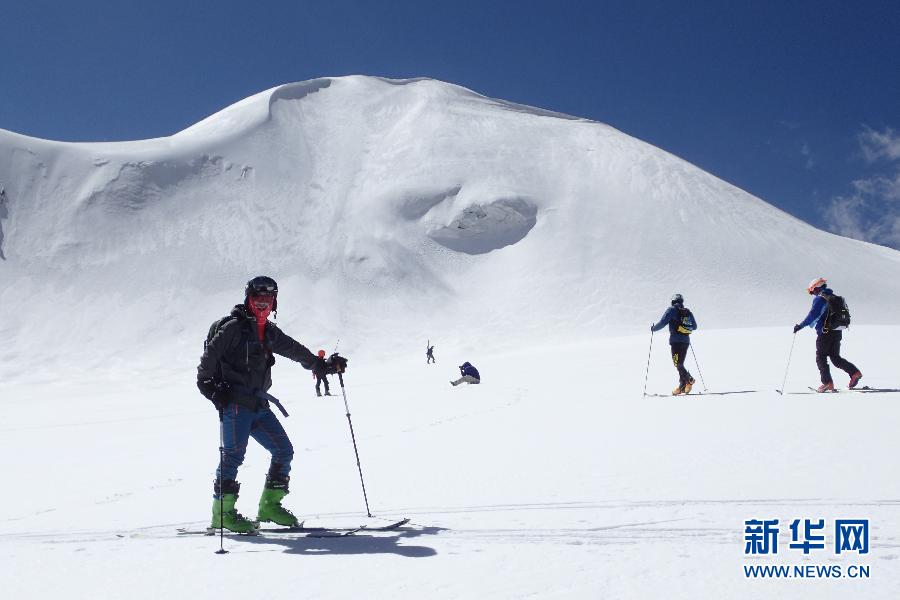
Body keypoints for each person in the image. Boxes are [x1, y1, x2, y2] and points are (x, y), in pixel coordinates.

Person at [197, 275, 345, 532]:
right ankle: (222, 514)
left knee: (283, 450)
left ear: (274, 301)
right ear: (249, 298)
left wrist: (323, 365)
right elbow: (207, 363)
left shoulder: (269, 332)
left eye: (268, 298)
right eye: (258, 297)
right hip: (234, 405)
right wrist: (210, 389)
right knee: (233, 456)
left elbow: (296, 351)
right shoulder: (233, 328)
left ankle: (269, 507)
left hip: (258, 406)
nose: (263, 302)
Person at [793, 277, 862, 392]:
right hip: (837, 331)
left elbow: (812, 315)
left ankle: (827, 383)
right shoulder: (835, 298)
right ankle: (855, 373)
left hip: (824, 333)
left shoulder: (820, 299)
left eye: (812, 291)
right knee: (835, 357)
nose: (812, 294)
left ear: (816, 288)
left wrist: (800, 326)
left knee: (820, 357)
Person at [651, 294, 698, 395]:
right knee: (680, 364)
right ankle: (682, 386)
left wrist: (653, 329)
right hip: (685, 342)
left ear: (672, 301)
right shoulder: (687, 312)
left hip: (675, 342)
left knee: (678, 363)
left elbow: (663, 322)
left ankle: (689, 379)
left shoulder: (671, 310)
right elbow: (694, 327)